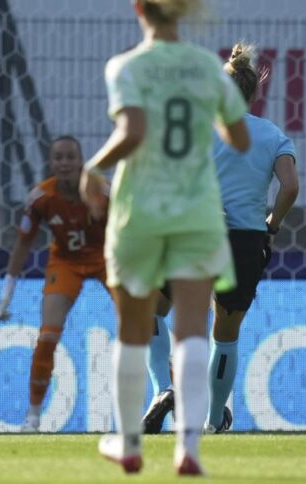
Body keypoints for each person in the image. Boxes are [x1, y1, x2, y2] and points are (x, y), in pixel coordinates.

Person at [80, 0, 250, 475]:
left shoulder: (127, 66)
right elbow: (238, 138)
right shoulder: (206, 67)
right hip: (197, 212)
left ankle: (130, 443)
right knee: (194, 331)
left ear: (139, 9)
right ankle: (189, 447)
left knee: (134, 329)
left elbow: (132, 131)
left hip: (141, 212)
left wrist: (95, 167)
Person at [142, 42, 299, 435]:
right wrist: (272, 224)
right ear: (253, 93)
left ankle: (163, 389)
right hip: (245, 242)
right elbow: (291, 187)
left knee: (151, 310)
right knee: (224, 335)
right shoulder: (273, 136)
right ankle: (213, 423)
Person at [0, 136, 108, 432]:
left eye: (71, 156)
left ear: (81, 160)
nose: (65, 162)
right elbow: (22, 244)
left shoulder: (101, 191)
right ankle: (33, 416)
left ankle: (173, 397)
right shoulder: (41, 198)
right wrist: (7, 293)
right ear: (51, 162)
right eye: (59, 157)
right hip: (66, 262)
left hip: (106, 258)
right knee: (47, 336)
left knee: (142, 327)